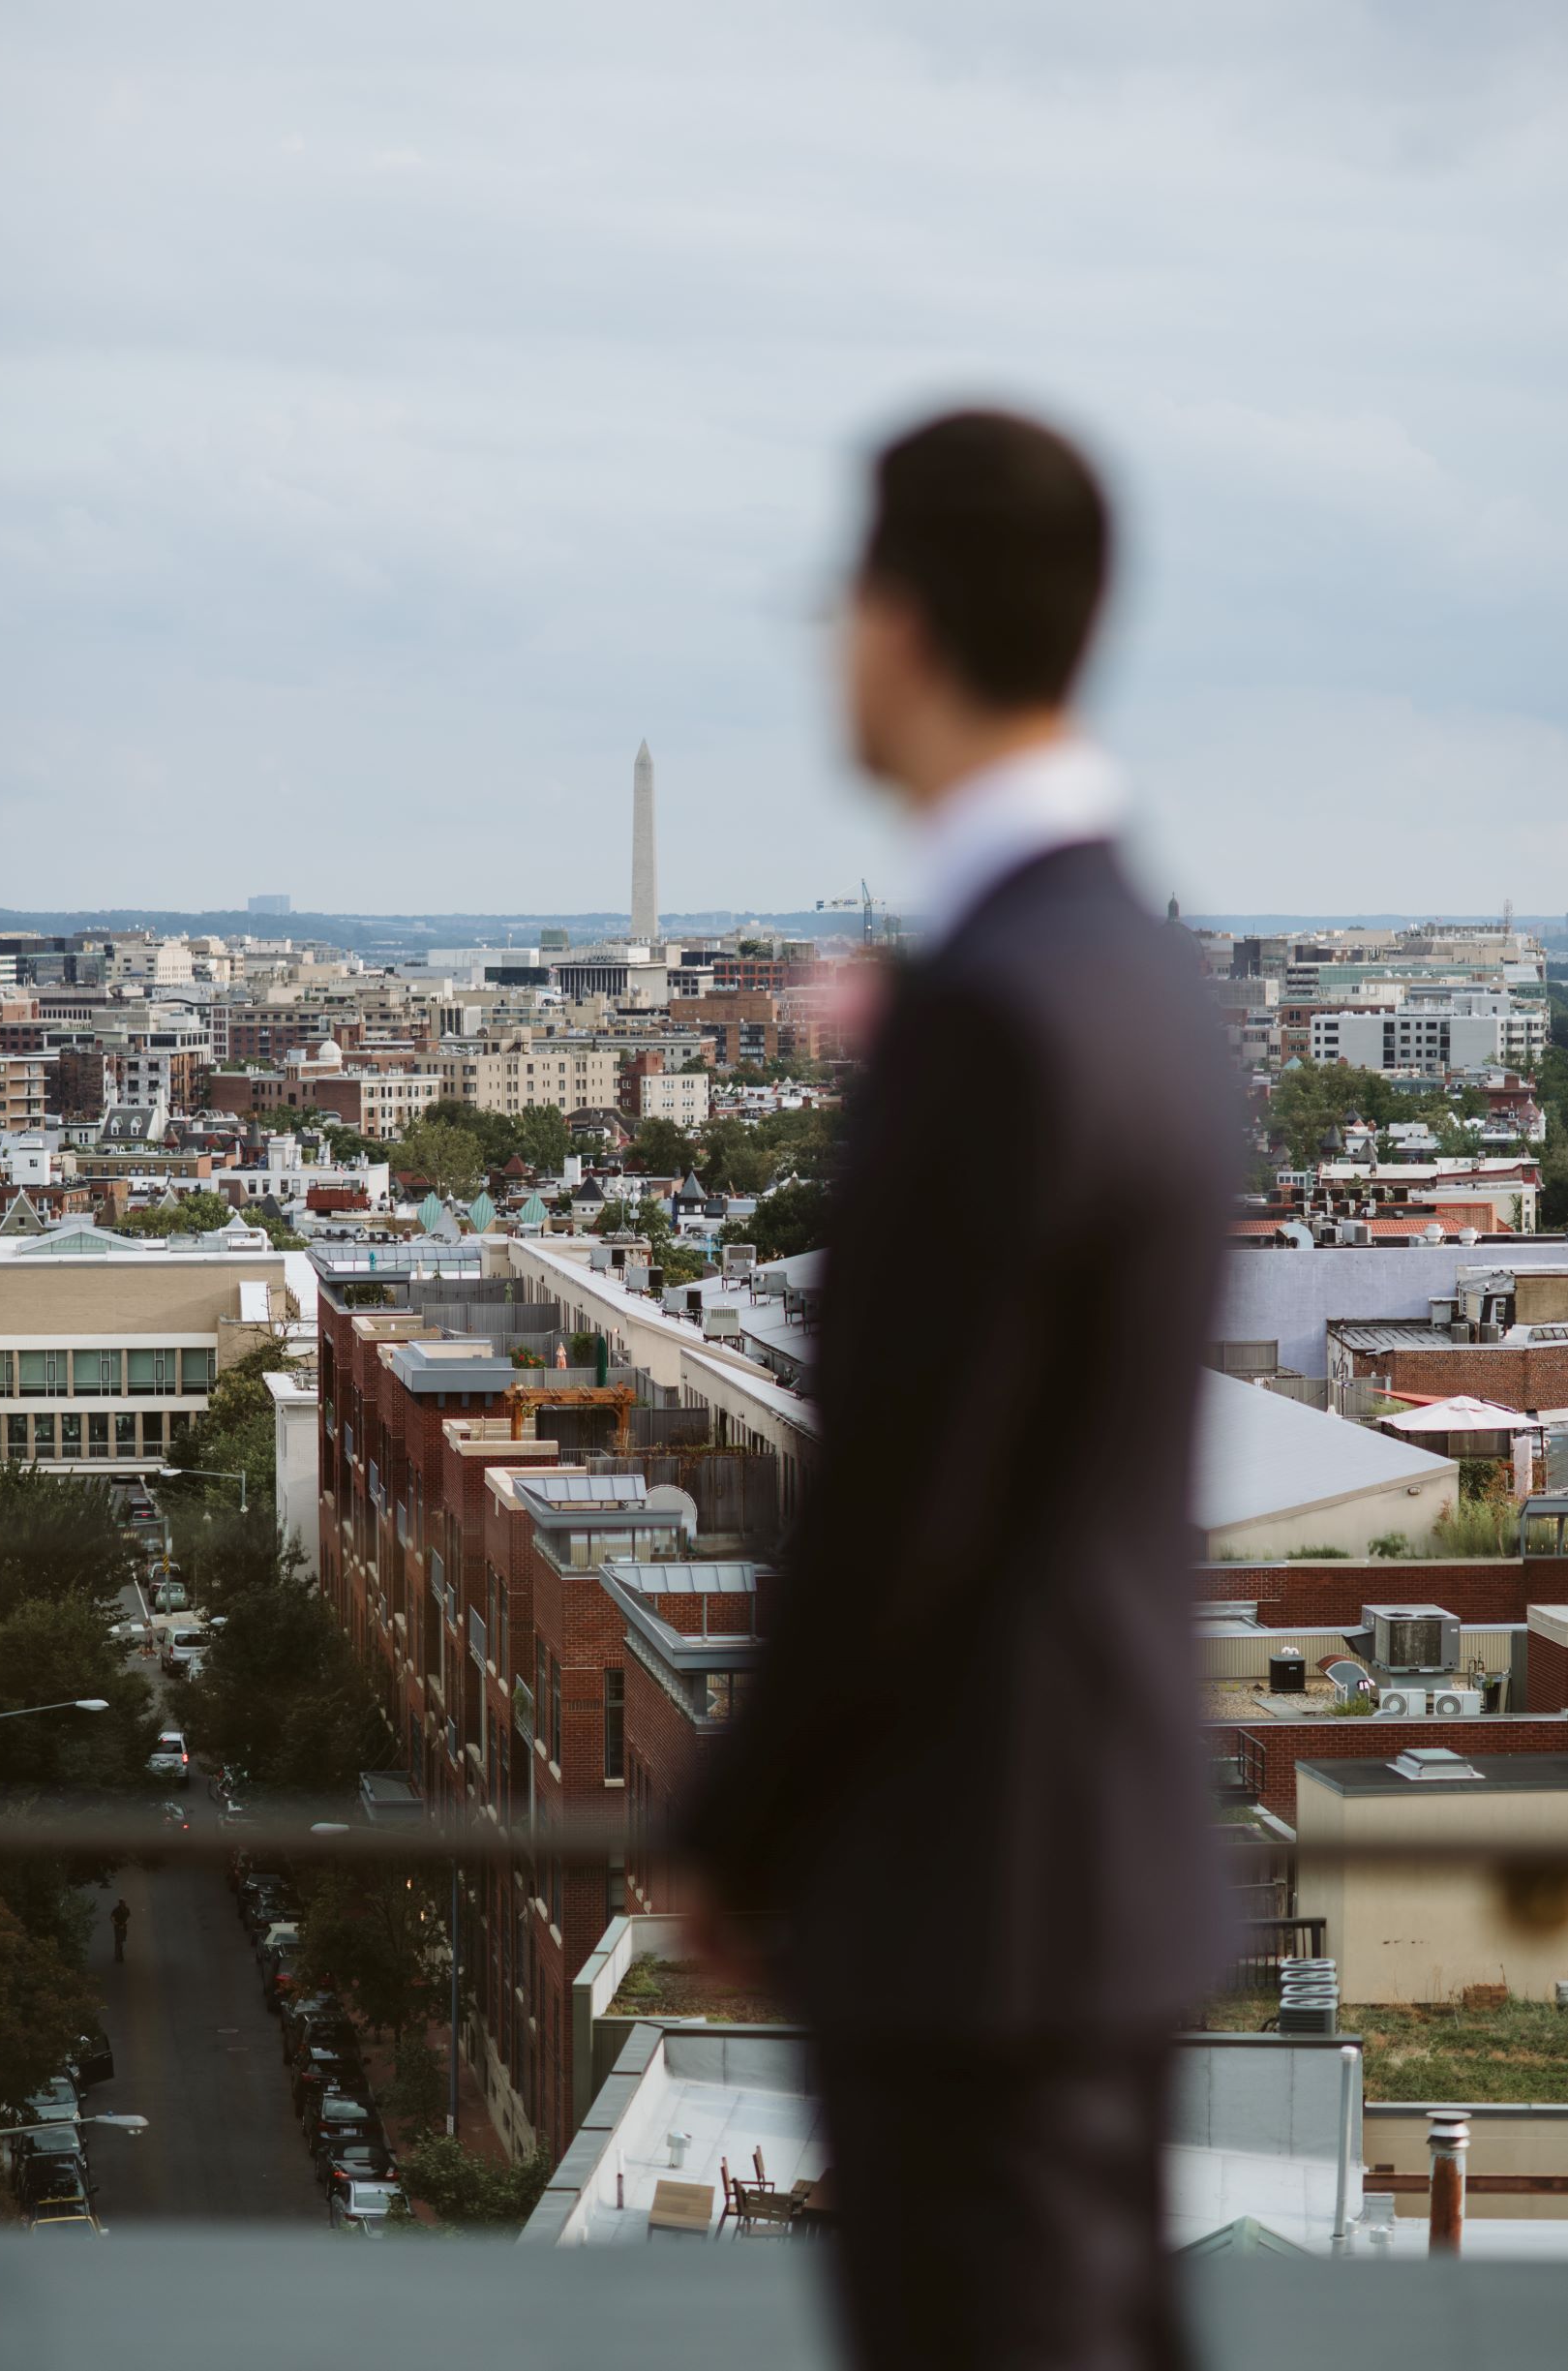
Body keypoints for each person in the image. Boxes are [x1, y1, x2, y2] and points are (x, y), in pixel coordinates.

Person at [682, 410, 1234, 2370]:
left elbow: (903, 1499)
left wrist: (734, 1831)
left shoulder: (995, 1008)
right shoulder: (1148, 976)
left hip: (967, 1901)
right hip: (1101, 1874)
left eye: (842, 602)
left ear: (904, 624)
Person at [110, 1899, 131, 1964]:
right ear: (120, 1903)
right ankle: (119, 1955)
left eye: (125, 1902)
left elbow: (128, 1917)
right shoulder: (116, 1910)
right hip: (118, 1927)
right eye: (123, 1902)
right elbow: (112, 1918)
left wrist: (125, 1923)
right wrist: (117, 1924)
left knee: (121, 1940)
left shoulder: (127, 1909)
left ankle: (118, 1953)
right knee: (119, 1940)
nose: (125, 1903)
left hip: (124, 1927)